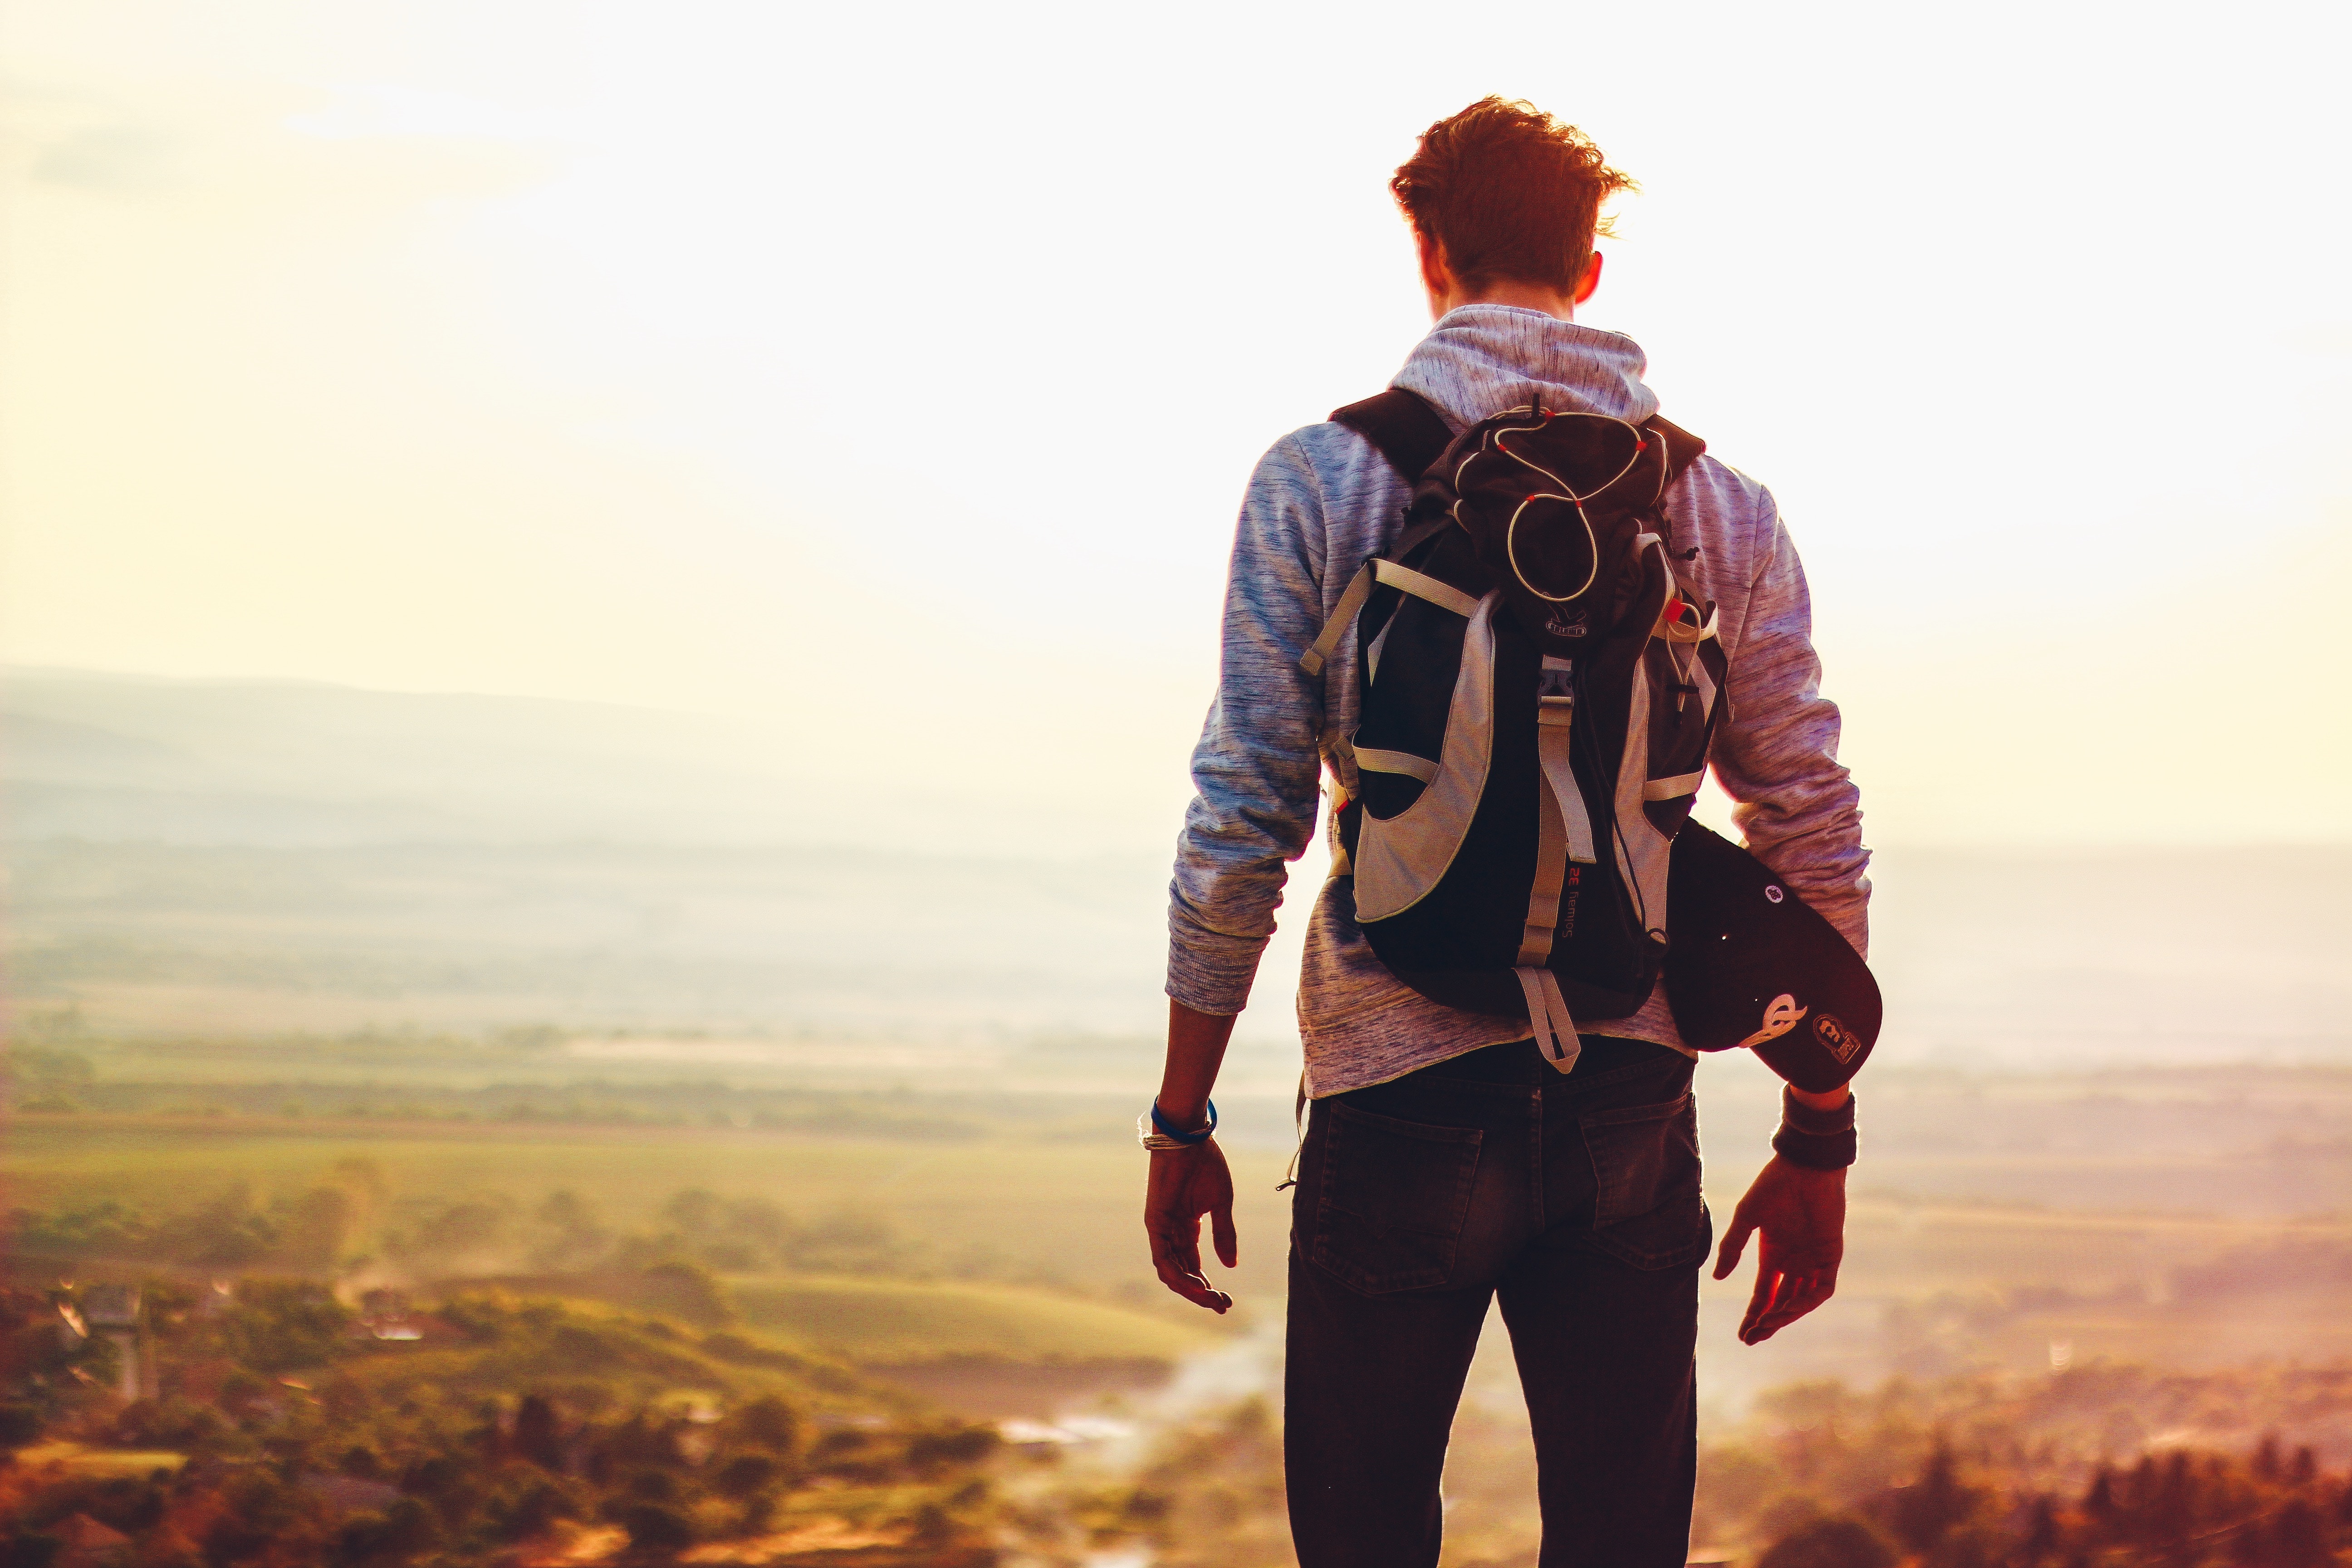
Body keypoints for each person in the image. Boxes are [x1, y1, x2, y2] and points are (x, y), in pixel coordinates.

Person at [1142, 98, 1872, 1568]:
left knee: (1364, 1543)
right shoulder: (1716, 504)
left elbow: (1248, 812)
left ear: (1429, 252)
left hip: (1393, 1087)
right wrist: (1820, 1126)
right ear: (1591, 267)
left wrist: (1183, 1115)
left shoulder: (1328, 479)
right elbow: (1808, 816)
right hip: (1629, 1091)